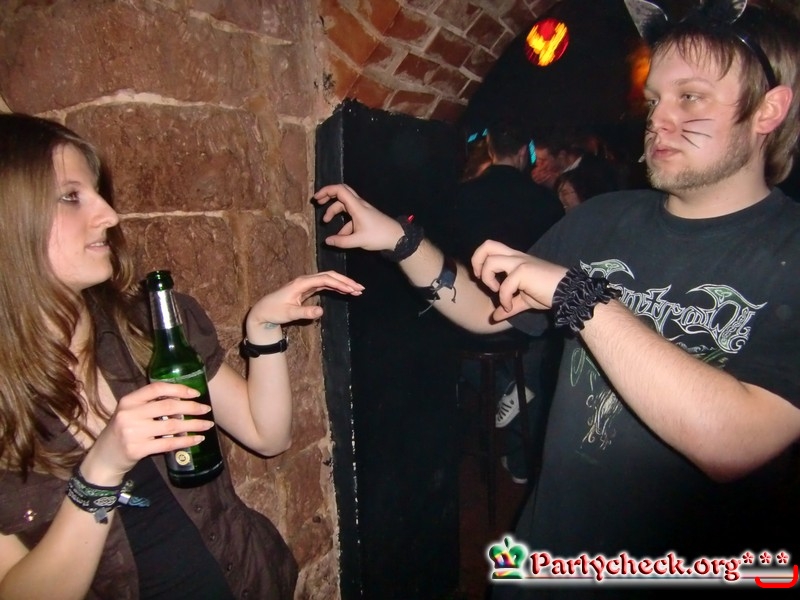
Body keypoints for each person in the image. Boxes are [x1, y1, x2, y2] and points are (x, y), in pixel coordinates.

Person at [313, 0, 800, 596]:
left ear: (769, 109)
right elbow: (488, 311)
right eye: (655, 101)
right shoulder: (603, 219)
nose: (659, 120)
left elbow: (734, 443)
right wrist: (399, 240)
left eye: (691, 98)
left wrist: (578, 296)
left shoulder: (790, 254)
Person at [0, 113, 365, 599]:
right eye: (71, 196)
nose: (108, 214)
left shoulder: (148, 328)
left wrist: (263, 330)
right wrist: (100, 472)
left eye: (96, 192)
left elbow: (268, 434)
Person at [446, 118, 564, 484]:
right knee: (532, 373)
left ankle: (502, 389)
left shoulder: (462, 195)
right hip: (530, 312)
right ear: (524, 152)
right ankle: (520, 463)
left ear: (491, 148)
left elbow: (447, 252)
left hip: (474, 309)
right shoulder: (546, 201)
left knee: (449, 338)